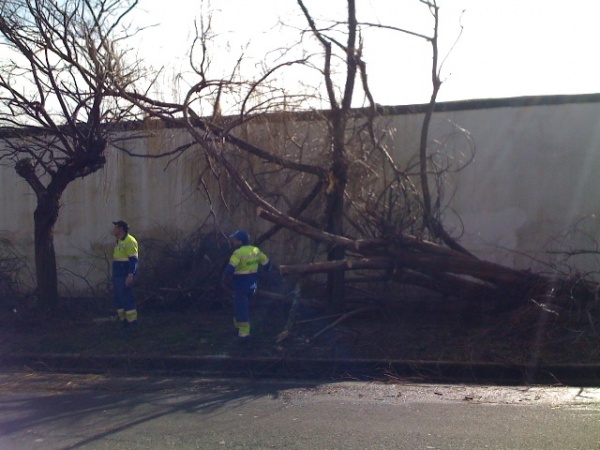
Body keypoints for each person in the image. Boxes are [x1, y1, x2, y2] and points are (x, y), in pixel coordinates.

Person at [222, 230, 271, 341]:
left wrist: (224, 277)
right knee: (239, 306)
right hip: (252, 284)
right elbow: (267, 264)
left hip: (240, 285)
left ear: (240, 241)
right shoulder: (256, 250)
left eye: (235, 240)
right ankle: (238, 327)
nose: (233, 242)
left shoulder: (238, 253)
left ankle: (244, 334)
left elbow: (230, 268)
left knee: (241, 308)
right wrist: (261, 273)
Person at [112, 220, 139, 330]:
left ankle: (132, 323)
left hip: (124, 275)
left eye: (116, 227)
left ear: (121, 229)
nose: (114, 230)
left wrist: (130, 275)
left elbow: (133, 260)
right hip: (117, 275)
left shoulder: (130, 241)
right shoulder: (119, 241)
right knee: (119, 299)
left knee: (127, 298)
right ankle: (123, 321)